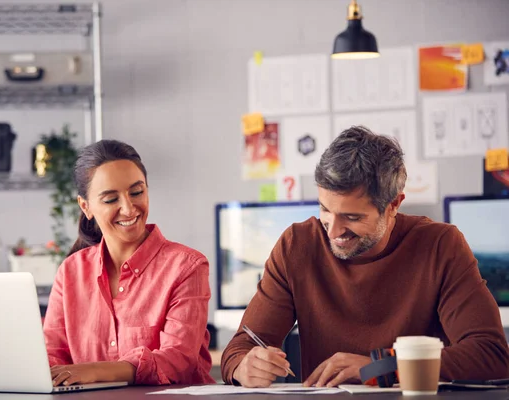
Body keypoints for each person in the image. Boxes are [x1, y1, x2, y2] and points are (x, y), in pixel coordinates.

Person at [221, 126, 509, 388]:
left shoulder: (439, 244)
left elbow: (491, 354)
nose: (333, 230)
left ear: (394, 204)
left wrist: (383, 367)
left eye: (352, 217)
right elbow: (239, 350)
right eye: (325, 209)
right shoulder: (297, 245)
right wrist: (244, 366)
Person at [43, 139, 215, 386]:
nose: (128, 208)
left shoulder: (187, 266)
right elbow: (52, 357)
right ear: (86, 206)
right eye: (111, 199)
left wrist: (94, 371)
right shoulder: (70, 271)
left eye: (137, 192)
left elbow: (177, 359)